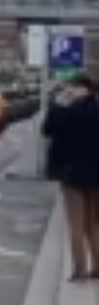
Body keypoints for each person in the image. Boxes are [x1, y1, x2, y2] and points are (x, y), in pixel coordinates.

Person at [42, 74, 99, 282]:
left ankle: (80, 269)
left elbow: (47, 130)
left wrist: (57, 102)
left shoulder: (66, 110)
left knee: (75, 223)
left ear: (77, 88)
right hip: (96, 174)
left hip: (71, 172)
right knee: (92, 223)